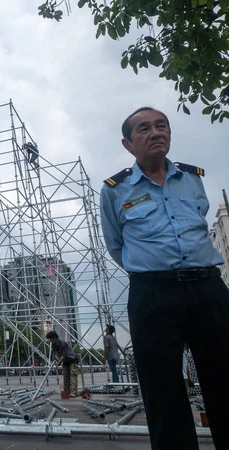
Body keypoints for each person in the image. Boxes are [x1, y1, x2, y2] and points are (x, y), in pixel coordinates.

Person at [100, 106, 229, 450]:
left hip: (209, 288)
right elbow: (116, 245)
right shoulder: (115, 190)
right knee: (162, 390)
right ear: (128, 144)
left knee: (225, 379)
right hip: (153, 293)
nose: (156, 132)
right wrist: (152, 270)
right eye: (144, 128)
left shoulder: (192, 178)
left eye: (162, 126)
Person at [46, 331, 78, 398]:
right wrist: (54, 360)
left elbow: (63, 355)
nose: (50, 341)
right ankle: (66, 392)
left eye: (51, 339)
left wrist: (58, 363)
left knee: (72, 376)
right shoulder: (53, 345)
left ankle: (73, 392)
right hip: (65, 361)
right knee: (65, 376)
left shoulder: (63, 343)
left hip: (72, 359)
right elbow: (54, 353)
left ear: (54, 338)